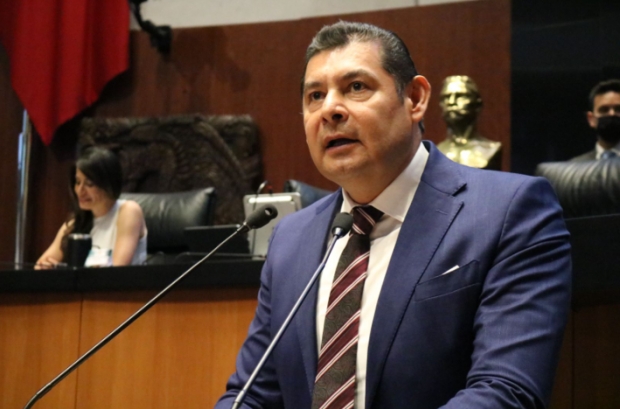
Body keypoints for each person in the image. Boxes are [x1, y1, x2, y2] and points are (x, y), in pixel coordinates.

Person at [215, 22, 571, 409]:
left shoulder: (509, 211)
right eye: (315, 95)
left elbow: (507, 390)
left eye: (356, 87)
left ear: (415, 99)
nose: (330, 109)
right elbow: (251, 395)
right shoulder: (291, 238)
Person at [36, 147, 147, 268]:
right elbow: (39, 266)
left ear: (108, 184)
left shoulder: (129, 211)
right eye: (78, 182)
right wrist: (48, 267)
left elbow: (116, 270)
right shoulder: (76, 222)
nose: (80, 191)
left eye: (89, 184)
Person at [437, 75, 502, 169]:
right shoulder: (436, 152)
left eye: (460, 96)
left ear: (477, 104)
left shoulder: (492, 149)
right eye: (446, 97)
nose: (451, 102)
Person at [570, 79, 620, 161]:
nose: (612, 114)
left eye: (618, 109)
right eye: (604, 110)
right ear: (591, 119)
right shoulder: (575, 166)